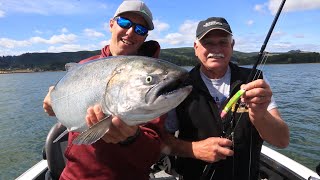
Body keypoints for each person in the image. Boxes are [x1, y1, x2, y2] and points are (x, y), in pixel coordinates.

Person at [43, 1, 164, 179]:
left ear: (144, 37)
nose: (130, 32)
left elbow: (153, 153)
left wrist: (132, 138)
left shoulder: (152, 88)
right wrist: (51, 103)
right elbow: (56, 103)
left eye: (140, 30)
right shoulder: (83, 68)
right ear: (111, 24)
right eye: (125, 23)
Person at [161, 17, 290, 180]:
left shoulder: (255, 81)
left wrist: (260, 115)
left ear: (232, 45)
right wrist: (193, 149)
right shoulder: (179, 85)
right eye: (208, 42)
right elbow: (161, 141)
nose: (216, 49)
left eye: (223, 42)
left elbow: (282, 140)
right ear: (195, 47)